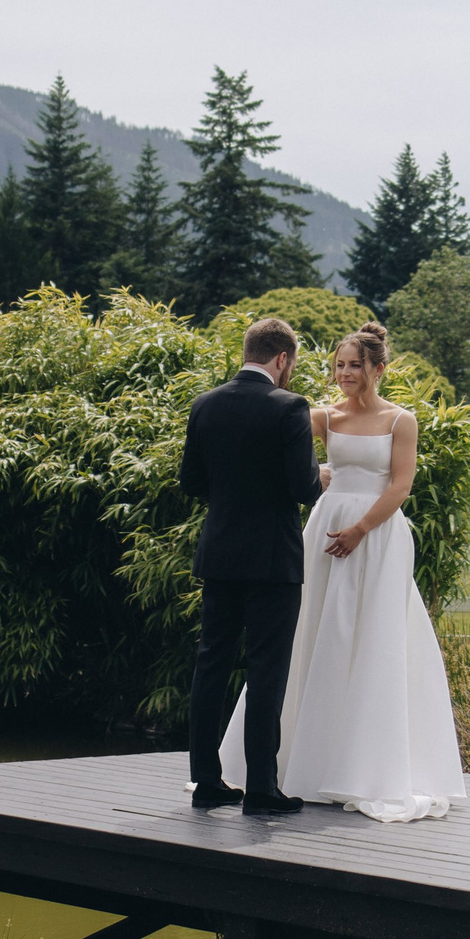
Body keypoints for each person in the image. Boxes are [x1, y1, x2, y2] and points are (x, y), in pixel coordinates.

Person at [217, 321, 464, 823]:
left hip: (377, 535)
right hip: (325, 532)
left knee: (372, 638)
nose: (344, 373)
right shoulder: (323, 416)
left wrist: (360, 529)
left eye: (354, 365)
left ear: (378, 368)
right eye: (339, 365)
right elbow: (267, 438)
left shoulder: (401, 421)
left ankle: (365, 767)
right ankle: (290, 762)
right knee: (312, 631)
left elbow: (400, 486)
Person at [181, 317, 323, 814]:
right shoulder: (290, 407)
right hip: (272, 560)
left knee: (211, 664)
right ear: (282, 358)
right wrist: (321, 476)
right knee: (267, 670)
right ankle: (261, 789)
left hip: (219, 553)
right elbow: (304, 488)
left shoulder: (205, 404)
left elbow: (191, 481)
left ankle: (206, 782)